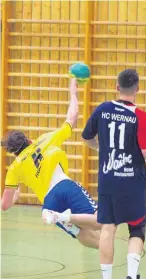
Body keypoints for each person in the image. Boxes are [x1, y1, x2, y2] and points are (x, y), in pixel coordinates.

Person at [82, 69, 146, 279]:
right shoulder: (140, 117)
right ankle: (131, 277)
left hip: (108, 179)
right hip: (131, 183)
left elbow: (87, 138)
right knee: (137, 228)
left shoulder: (103, 109)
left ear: (117, 87)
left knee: (108, 228)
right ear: (137, 89)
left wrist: (103, 148)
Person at [1, 79, 101, 249]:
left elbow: (4, 205)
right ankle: (67, 218)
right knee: (100, 221)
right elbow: (72, 117)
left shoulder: (14, 168)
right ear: (28, 140)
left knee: (80, 233)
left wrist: (14, 198)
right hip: (65, 187)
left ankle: (64, 219)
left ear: (14, 152)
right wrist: (73, 93)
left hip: (49, 203)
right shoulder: (45, 140)